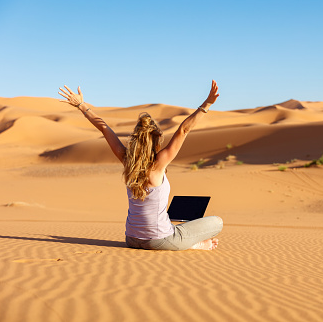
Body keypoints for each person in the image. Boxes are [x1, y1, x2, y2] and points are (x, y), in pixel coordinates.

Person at [58, 80, 223, 250]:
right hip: (158, 240)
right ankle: (194, 245)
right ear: (156, 141)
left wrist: (82, 105)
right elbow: (183, 130)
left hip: (131, 239)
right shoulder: (159, 164)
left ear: (136, 140)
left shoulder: (127, 161)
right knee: (217, 223)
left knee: (171, 225)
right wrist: (207, 103)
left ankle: (182, 240)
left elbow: (105, 128)